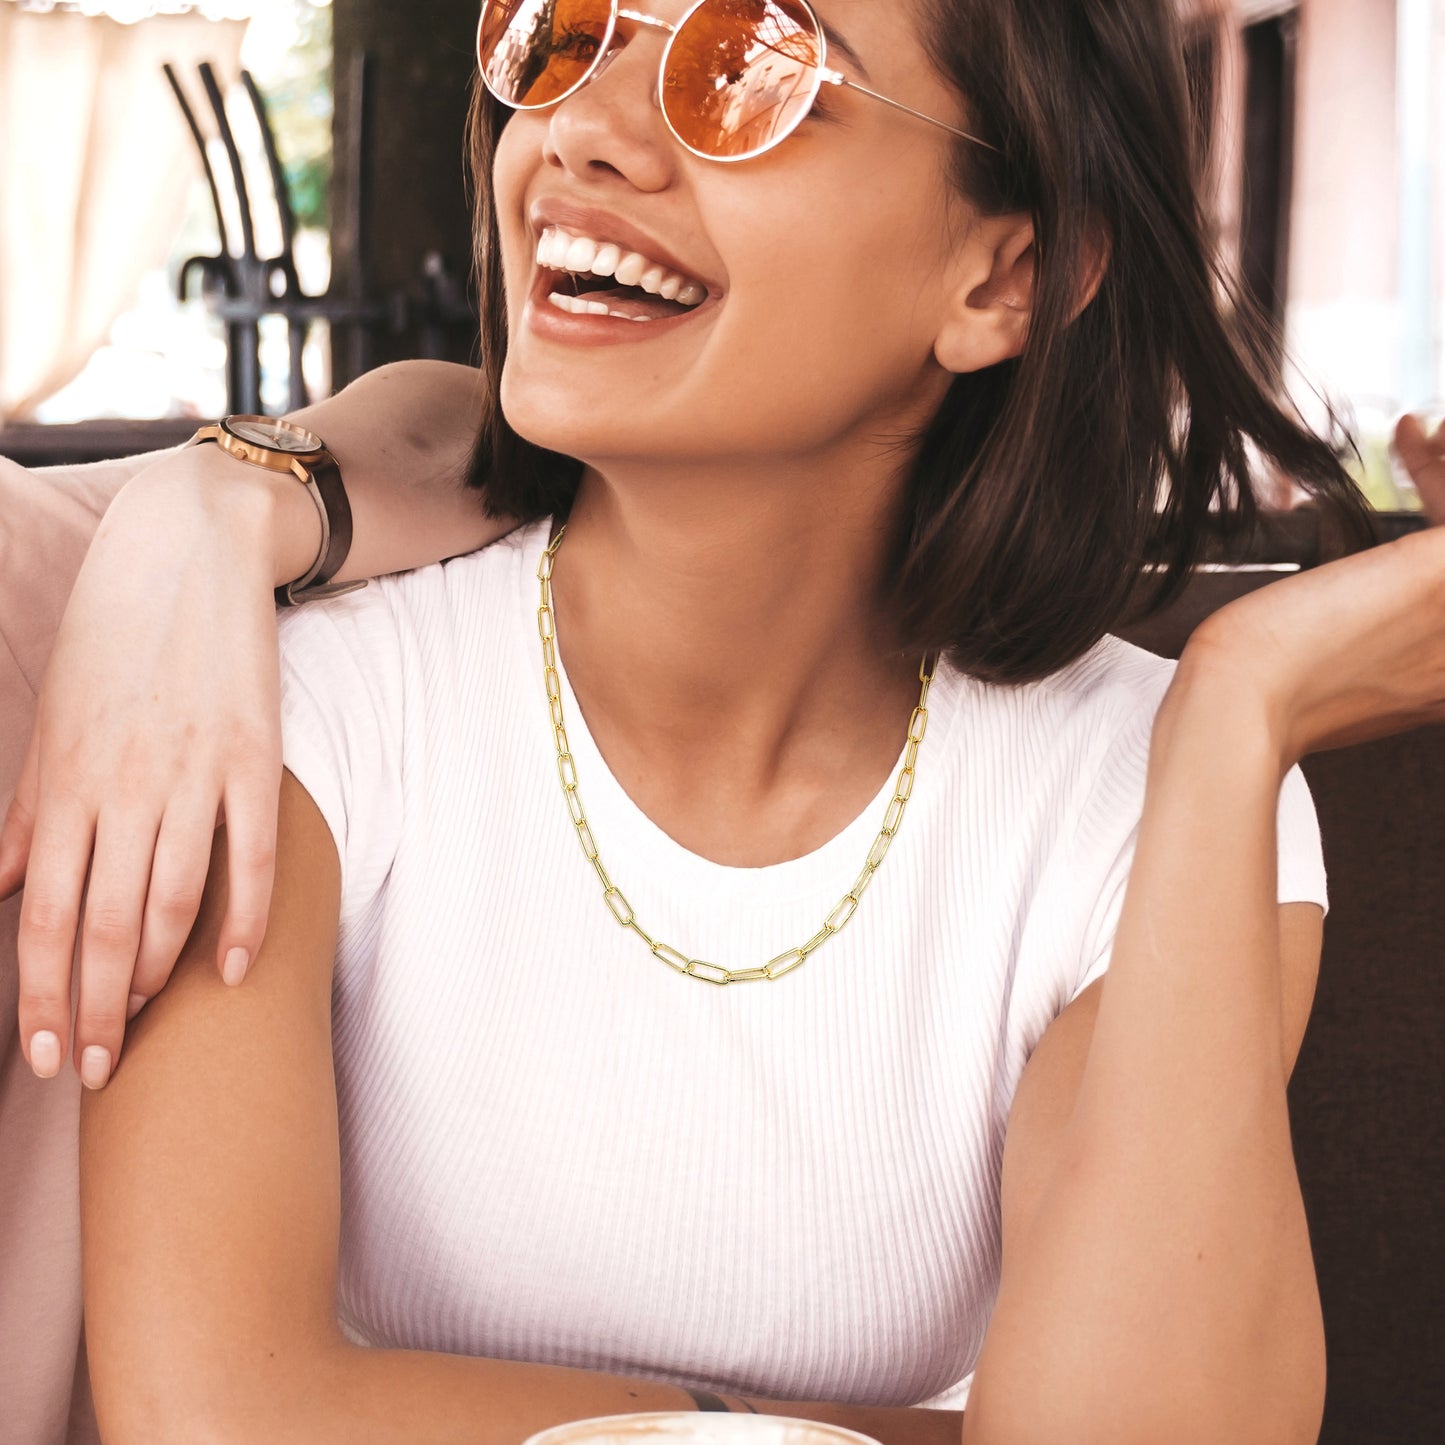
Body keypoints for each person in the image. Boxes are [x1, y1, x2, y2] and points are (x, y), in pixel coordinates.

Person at [3, 1, 1445, 1441]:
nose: (577, 130)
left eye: (750, 68)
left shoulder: (1141, 797)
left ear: (1005, 276)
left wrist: (1233, 708)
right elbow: (220, 1417)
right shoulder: (291, 708)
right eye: (564, 32)